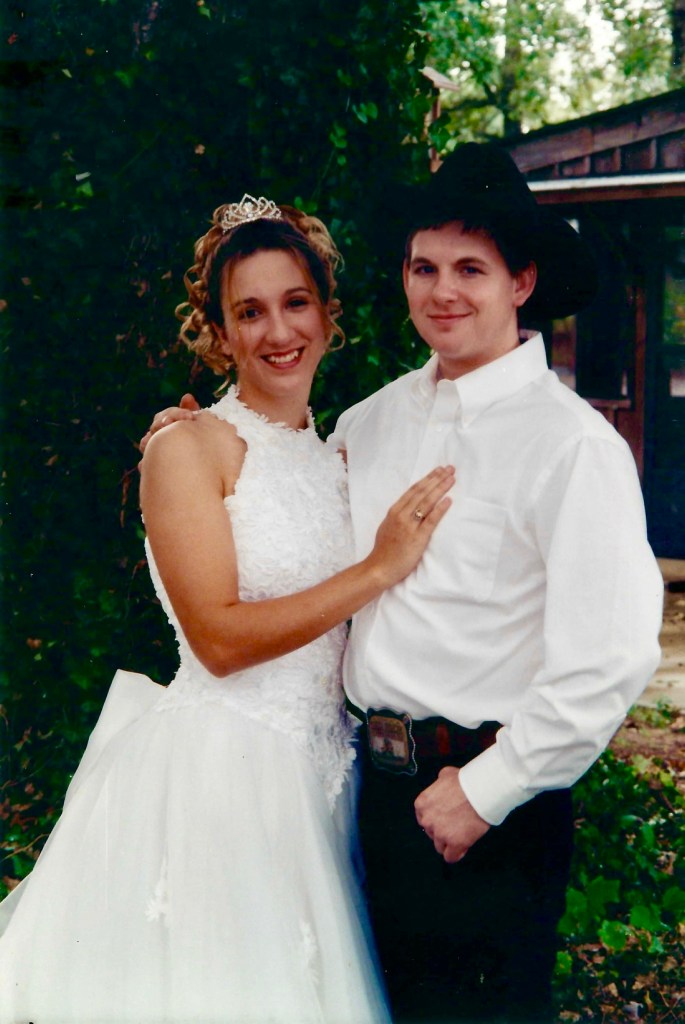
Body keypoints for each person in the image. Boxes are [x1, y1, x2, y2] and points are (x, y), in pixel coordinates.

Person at [144, 145, 664, 1024]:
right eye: (424, 267)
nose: (442, 291)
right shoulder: (367, 424)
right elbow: (269, 489)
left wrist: (489, 791)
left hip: (486, 802)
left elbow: (608, 658)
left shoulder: (571, 446)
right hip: (365, 797)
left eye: (470, 269)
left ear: (521, 282)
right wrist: (185, 439)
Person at [0, 195, 456, 1022]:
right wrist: (378, 568)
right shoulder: (187, 447)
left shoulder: (340, 455)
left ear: (328, 314)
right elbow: (216, 637)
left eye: (295, 303)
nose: (278, 331)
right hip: (221, 782)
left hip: (326, 782)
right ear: (217, 332)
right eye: (249, 312)